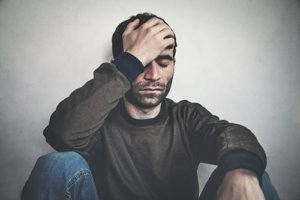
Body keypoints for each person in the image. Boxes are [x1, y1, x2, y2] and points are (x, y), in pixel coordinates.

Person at [22, 13, 279, 200]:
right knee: (57, 164)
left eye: (164, 62)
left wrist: (241, 170)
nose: (154, 75)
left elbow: (231, 134)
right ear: (122, 65)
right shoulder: (97, 121)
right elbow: (60, 133)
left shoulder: (186, 117)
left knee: (251, 174)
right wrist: (130, 59)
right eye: (142, 63)